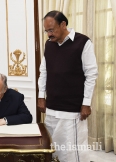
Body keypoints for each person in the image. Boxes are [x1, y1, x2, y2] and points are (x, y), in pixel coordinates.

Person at [38, 10, 98, 162]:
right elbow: (43, 71)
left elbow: (91, 74)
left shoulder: (83, 42)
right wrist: (41, 96)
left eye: (51, 30)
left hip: (73, 109)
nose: (48, 34)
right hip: (52, 107)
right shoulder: (49, 44)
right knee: (54, 148)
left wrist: (86, 103)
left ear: (63, 24)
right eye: (46, 31)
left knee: (72, 151)